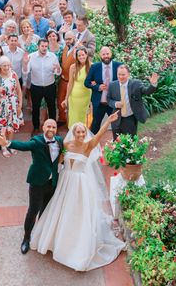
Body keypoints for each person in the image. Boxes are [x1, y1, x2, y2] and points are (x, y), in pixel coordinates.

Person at [29, 114, 124, 271]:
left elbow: (99, 134)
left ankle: (76, 246)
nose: (81, 134)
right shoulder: (66, 144)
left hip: (80, 184)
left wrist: (107, 121)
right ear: (73, 133)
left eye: (83, 132)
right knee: (61, 209)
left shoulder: (88, 145)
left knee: (78, 212)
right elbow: (58, 160)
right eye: (78, 132)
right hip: (65, 181)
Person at [0, 119, 63, 255]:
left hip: (52, 182)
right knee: (33, 211)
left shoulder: (59, 141)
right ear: (43, 127)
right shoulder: (36, 141)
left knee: (46, 210)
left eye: (54, 127)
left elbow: (64, 154)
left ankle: (40, 234)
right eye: (49, 126)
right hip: (37, 182)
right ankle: (26, 238)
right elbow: (24, 146)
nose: (51, 129)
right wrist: (7, 143)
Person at [107, 65, 159, 139]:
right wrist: (115, 104)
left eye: (123, 75)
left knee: (130, 144)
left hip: (130, 120)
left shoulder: (136, 84)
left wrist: (153, 84)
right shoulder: (112, 85)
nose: (121, 77)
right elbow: (108, 99)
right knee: (116, 143)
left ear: (128, 74)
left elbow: (146, 91)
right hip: (116, 119)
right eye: (119, 74)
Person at [22, 39, 61, 135]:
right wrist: (26, 63)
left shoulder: (52, 56)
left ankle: (53, 129)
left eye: (46, 46)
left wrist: (58, 69)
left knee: (52, 108)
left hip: (50, 86)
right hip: (36, 87)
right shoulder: (31, 57)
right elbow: (26, 72)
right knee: (35, 108)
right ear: (38, 47)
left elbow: (57, 72)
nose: (44, 48)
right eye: (42, 46)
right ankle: (36, 128)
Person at [85, 47, 122, 134]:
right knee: (95, 126)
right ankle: (93, 145)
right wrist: (97, 87)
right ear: (100, 55)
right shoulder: (95, 67)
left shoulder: (119, 66)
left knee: (117, 126)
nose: (106, 56)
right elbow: (86, 83)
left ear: (111, 54)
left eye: (107, 54)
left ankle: (118, 145)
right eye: (103, 54)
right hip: (99, 103)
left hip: (113, 103)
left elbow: (124, 82)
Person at [0, 56, 24, 158]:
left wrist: (20, 105)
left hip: (13, 103)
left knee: (11, 126)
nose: (6, 67)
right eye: (3, 66)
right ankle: (3, 147)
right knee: (3, 127)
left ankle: (10, 144)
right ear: (0, 67)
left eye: (7, 65)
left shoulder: (13, 74)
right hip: (2, 105)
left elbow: (19, 90)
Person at [62, 46, 92, 127]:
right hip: (74, 97)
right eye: (79, 55)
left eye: (83, 55)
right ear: (77, 57)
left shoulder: (92, 66)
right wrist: (66, 98)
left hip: (86, 97)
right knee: (74, 118)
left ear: (86, 55)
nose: (81, 57)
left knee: (84, 119)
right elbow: (70, 83)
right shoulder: (73, 67)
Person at [56, 31, 76, 125]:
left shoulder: (77, 50)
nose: (67, 41)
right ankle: (62, 119)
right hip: (63, 79)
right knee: (60, 100)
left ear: (74, 38)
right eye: (66, 39)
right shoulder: (65, 48)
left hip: (72, 81)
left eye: (69, 39)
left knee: (71, 102)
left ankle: (71, 121)